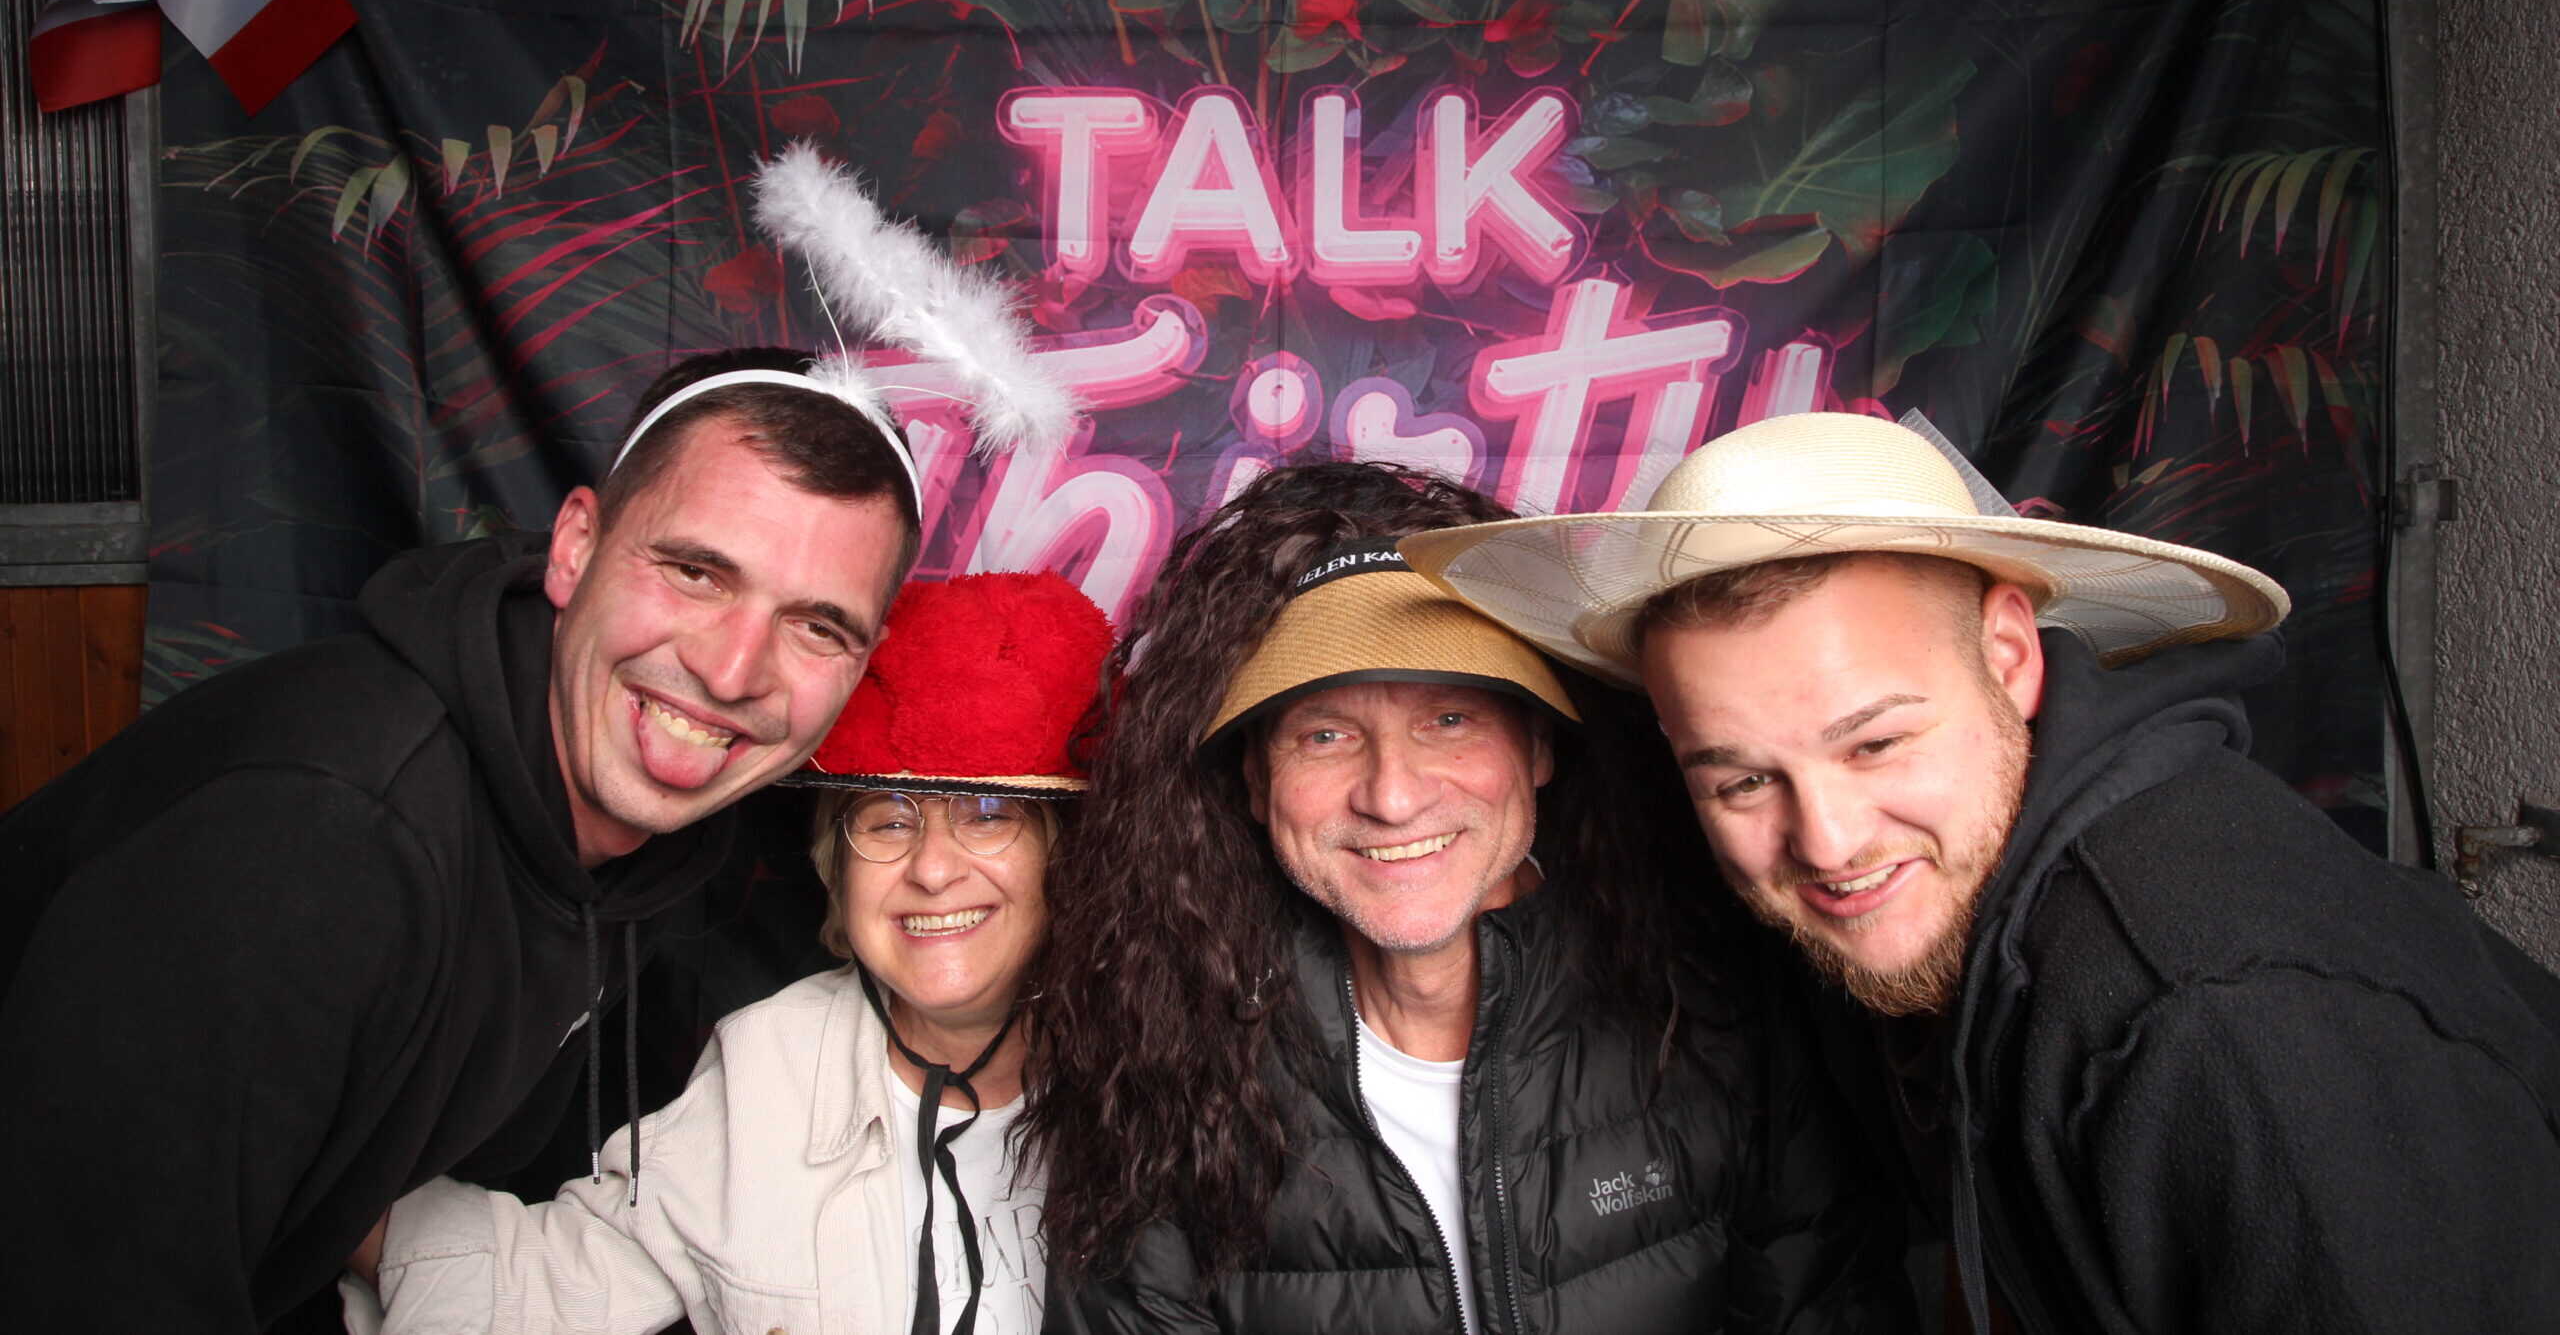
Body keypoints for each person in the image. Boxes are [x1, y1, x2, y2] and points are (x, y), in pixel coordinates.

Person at [1401, 410, 2560, 1334]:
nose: (1829, 843)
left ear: (2007, 655)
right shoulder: (1978, 913)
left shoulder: (2218, 1015)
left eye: (1876, 742)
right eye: (1740, 781)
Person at [0, 346, 920, 1333]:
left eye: (818, 628)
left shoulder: (644, 828)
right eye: (695, 572)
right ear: (574, 548)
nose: (733, 670)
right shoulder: (322, 835)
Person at [1024, 460, 1916, 1334]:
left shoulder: (1717, 1006)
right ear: (1255, 784)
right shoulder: (1162, 1060)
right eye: (1326, 734)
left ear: (1538, 746)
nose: (1393, 793)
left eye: (1448, 719)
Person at [353, 571, 1110, 1335]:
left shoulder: (1160, 1057)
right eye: (888, 821)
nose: (934, 867)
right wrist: (309, 1185)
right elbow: (551, 1284)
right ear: (836, 869)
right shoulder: (767, 1070)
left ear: (1064, 859)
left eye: (988, 816)